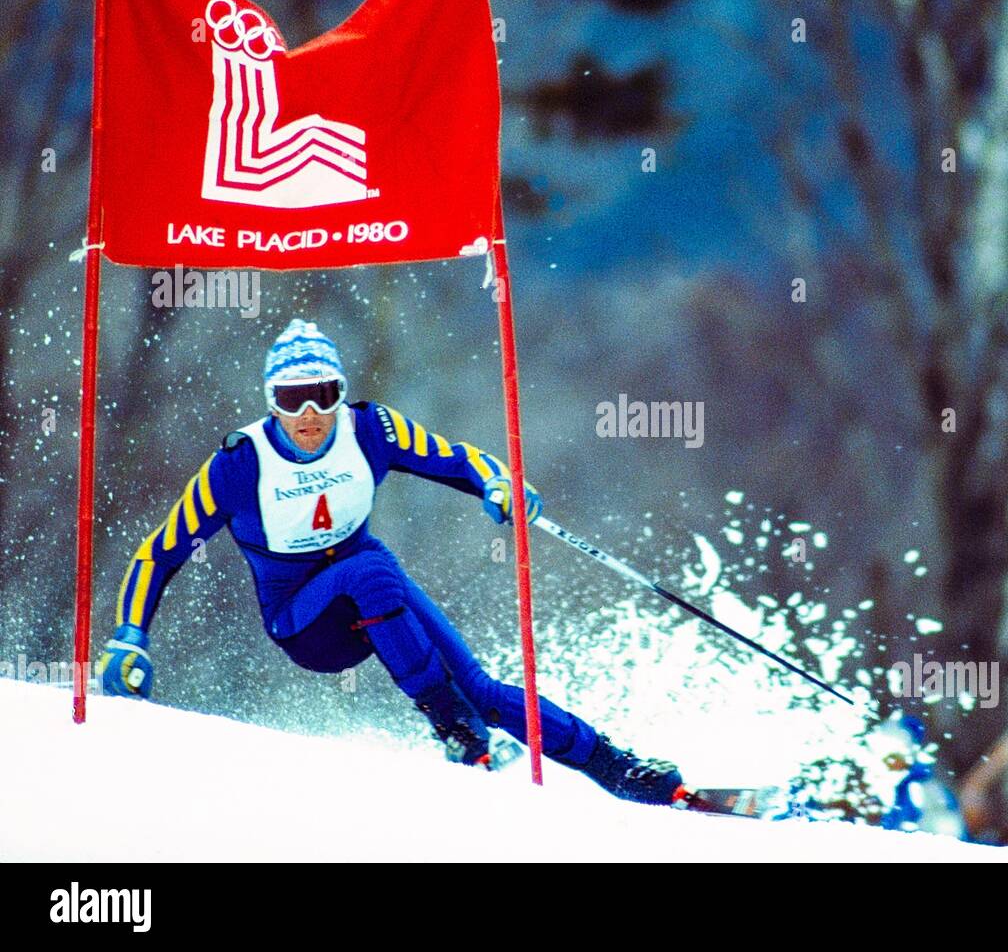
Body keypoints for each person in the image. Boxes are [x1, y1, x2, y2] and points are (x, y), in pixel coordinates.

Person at [96, 319, 686, 806]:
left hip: (373, 592)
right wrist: (129, 637)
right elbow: (161, 551)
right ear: (270, 403)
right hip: (305, 624)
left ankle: (617, 769)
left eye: (323, 394)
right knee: (372, 572)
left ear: (340, 394)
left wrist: (499, 485)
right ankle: (453, 728)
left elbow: (457, 460)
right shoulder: (239, 463)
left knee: (483, 689)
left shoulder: (371, 428)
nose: (308, 414)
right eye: (289, 399)